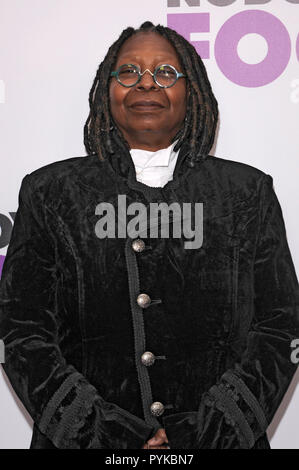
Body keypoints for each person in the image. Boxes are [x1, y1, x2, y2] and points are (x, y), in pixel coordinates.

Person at [0, 20, 298, 450]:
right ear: (108, 89)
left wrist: (210, 432)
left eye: (165, 73)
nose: (146, 84)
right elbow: (21, 329)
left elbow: (280, 325)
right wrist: (104, 434)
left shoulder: (247, 192)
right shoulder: (50, 191)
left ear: (190, 91)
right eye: (128, 72)